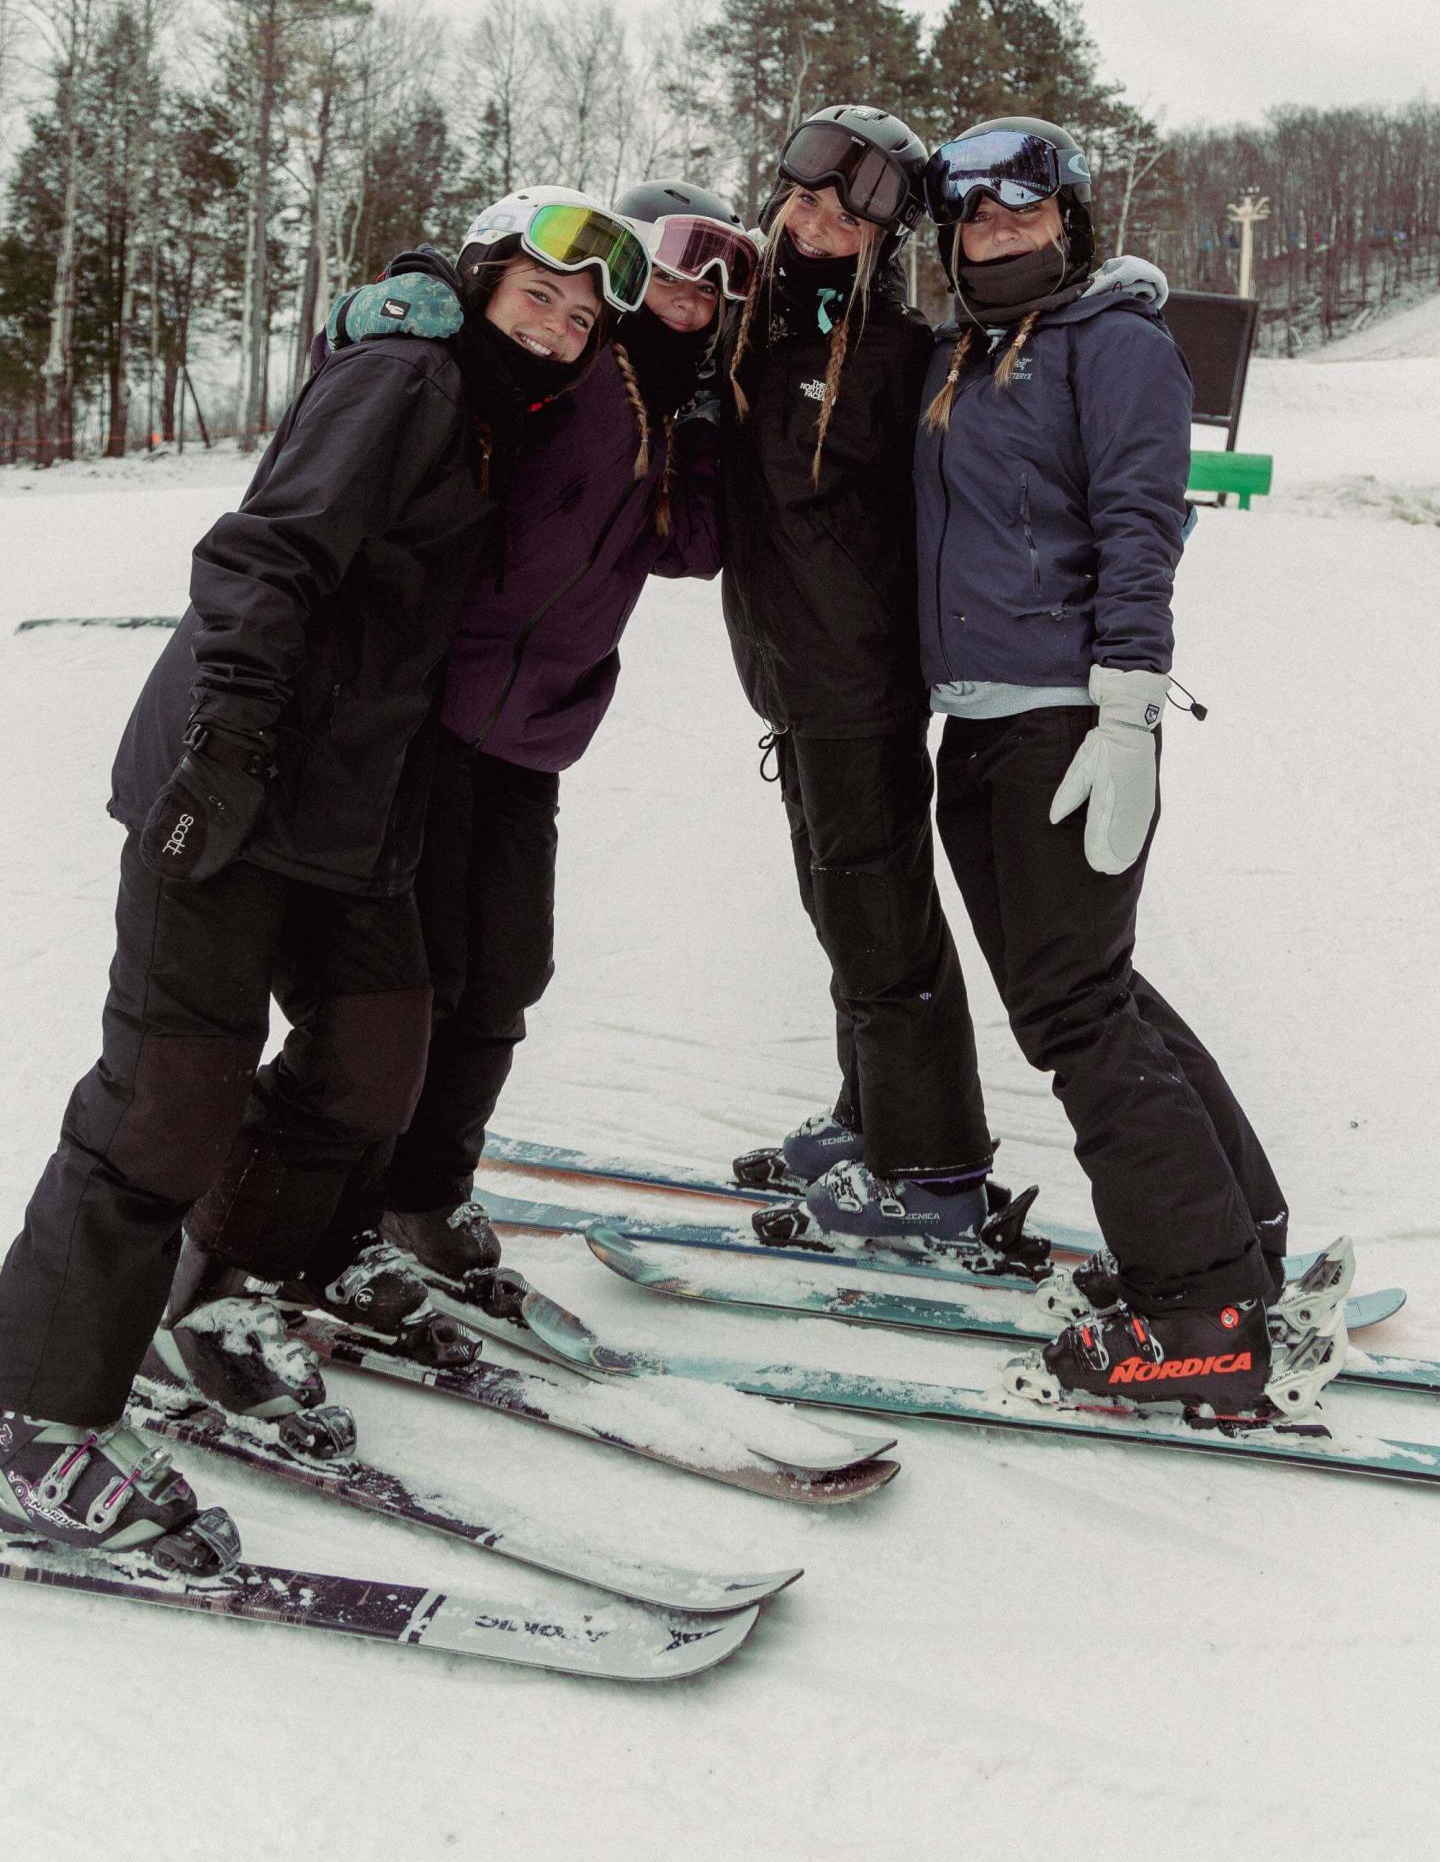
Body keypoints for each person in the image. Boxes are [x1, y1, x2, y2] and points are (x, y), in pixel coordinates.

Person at [0, 189, 649, 1567]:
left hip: (354, 813)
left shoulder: (488, 416)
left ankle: (221, 1288)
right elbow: (265, 552)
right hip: (233, 783)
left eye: (581, 323)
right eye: (538, 296)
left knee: (373, 1059)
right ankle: (30, 1416)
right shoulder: (408, 376)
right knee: (168, 1094)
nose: (555, 331)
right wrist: (228, 736)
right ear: (479, 284)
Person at [299, 182, 758, 1299]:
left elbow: (691, 548)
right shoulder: (570, 370)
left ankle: (424, 1187)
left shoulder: (656, 392)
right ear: (629, 274)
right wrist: (385, 294)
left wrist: (703, 425)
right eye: (673, 281)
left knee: (509, 971)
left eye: (715, 294)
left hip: (535, 732)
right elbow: (448, 352)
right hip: (438, 708)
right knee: (424, 983)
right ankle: (334, 1211)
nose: (691, 307)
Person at [916, 115, 1294, 1410]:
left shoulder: (1114, 344)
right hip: (978, 728)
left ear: (1067, 221)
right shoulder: (965, 355)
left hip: (1064, 724)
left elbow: (1144, 521)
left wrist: (1127, 711)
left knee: (1077, 1013)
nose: (998, 231)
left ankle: (1203, 1310)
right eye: (976, 216)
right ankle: (1243, 1238)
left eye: (1023, 211)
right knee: (1087, 996)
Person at [719, 106, 1031, 1263]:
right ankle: (872, 1117)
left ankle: (936, 1169)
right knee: (839, 909)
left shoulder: (903, 356)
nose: (815, 225)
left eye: (847, 218)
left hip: (859, 686)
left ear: (883, 239)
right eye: (803, 201)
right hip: (790, 682)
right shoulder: (753, 331)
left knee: (884, 924)